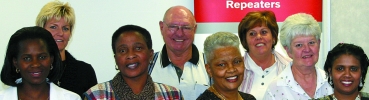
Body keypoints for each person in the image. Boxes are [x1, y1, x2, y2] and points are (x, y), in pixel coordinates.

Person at [84, 25, 183, 100]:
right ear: (115, 59)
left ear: (150, 54)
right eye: (122, 50)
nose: (130, 55)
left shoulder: (172, 95)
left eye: (138, 48)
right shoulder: (96, 95)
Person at [35, 0, 97, 97]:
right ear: (40, 30)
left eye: (65, 28)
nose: (60, 33)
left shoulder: (85, 72)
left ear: (70, 33)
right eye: (53, 27)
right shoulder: (33, 69)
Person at [264, 13, 333, 99]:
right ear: (288, 50)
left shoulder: (332, 82)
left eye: (311, 43)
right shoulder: (275, 90)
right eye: (299, 45)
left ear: (319, 44)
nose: (307, 49)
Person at [0, 26, 81, 100]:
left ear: (51, 59)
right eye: (27, 58)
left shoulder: (72, 98)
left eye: (42, 57)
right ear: (15, 62)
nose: (35, 64)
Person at [149, 5, 210, 100]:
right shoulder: (146, 66)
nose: (179, 33)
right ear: (161, 27)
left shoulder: (211, 65)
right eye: (173, 26)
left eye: (186, 27)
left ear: (194, 29)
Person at [237, 10, 292, 100]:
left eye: (264, 32)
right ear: (245, 40)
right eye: (252, 33)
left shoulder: (291, 67)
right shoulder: (234, 70)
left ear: (273, 37)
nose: (258, 37)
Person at [197, 32, 256, 100]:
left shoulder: (249, 98)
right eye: (222, 65)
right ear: (209, 70)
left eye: (236, 62)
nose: (231, 69)